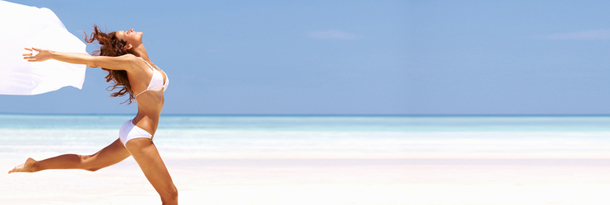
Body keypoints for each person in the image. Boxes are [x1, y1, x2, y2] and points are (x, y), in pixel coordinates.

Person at [8, 25, 178, 205]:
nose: (130, 29)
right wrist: (50, 54)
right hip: (140, 136)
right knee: (170, 195)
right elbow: (92, 61)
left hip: (134, 131)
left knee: (91, 163)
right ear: (127, 46)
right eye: (126, 33)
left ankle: (35, 165)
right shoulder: (132, 61)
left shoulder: (146, 63)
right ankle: (35, 166)